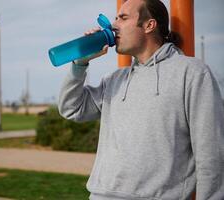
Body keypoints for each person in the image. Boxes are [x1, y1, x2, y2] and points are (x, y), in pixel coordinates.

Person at [58, 0, 224, 199]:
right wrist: (80, 63)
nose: (113, 25)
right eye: (115, 18)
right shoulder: (115, 80)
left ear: (149, 25)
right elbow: (71, 108)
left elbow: (211, 155)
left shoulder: (192, 73)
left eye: (123, 18)